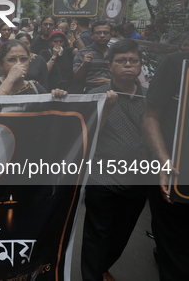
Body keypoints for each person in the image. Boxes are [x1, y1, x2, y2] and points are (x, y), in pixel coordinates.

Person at [81, 39, 148, 281]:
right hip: (102, 176)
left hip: (139, 179)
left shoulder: (151, 99)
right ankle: (91, 275)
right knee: (97, 232)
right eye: (121, 61)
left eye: (133, 61)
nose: (128, 65)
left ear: (140, 65)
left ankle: (102, 267)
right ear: (110, 66)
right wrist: (106, 107)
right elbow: (86, 136)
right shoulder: (95, 95)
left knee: (122, 232)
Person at [142, 47, 189, 281]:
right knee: (175, 255)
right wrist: (164, 161)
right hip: (174, 175)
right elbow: (150, 116)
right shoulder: (176, 63)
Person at [72, 21, 112, 93]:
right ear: (91, 35)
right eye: (98, 33)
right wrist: (84, 65)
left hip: (113, 93)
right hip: (89, 93)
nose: (102, 35)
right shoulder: (83, 53)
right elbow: (75, 78)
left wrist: (111, 82)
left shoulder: (116, 53)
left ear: (111, 35)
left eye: (106, 33)